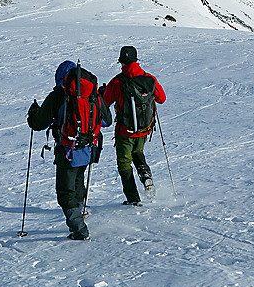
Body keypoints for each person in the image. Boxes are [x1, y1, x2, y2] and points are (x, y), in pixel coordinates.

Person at [27, 60, 109, 240]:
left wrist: (33, 113)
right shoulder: (92, 93)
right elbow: (107, 120)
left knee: (65, 193)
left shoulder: (58, 95)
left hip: (67, 150)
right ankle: (79, 214)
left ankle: (79, 230)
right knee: (78, 182)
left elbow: (38, 123)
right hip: (89, 148)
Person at [103, 45, 166, 206]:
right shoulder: (148, 78)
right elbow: (161, 98)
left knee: (124, 162)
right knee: (138, 151)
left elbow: (105, 102)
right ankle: (146, 177)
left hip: (125, 131)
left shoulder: (117, 81)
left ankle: (133, 199)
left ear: (121, 62)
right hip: (145, 129)